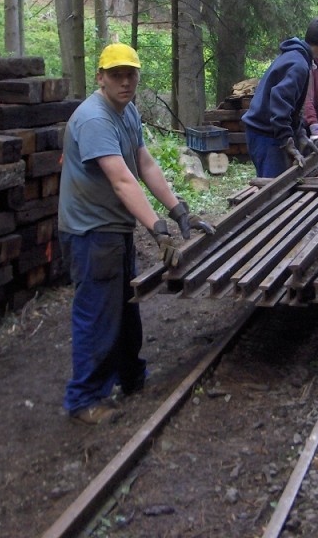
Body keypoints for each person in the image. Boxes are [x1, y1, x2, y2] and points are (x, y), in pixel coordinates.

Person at [59, 42, 214, 425]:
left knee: (125, 306)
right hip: (91, 232)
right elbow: (122, 181)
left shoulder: (126, 112)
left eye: (131, 74)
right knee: (98, 312)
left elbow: (144, 163)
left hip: (113, 228)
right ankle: (84, 399)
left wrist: (178, 211)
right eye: (116, 75)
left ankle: (130, 376)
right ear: (101, 78)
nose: (125, 82)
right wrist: (156, 229)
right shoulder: (94, 119)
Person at [242, 17, 318, 177]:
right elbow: (279, 100)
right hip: (265, 133)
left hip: (266, 130)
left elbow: (295, 105)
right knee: (273, 191)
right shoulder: (298, 65)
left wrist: (299, 132)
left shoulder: (297, 57)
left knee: (278, 187)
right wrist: (287, 139)